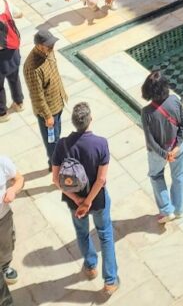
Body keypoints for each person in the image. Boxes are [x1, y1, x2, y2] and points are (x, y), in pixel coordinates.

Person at [52, 102, 119, 295]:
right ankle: (110, 281)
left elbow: (56, 180)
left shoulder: (62, 144)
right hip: (97, 200)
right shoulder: (100, 143)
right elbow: (101, 179)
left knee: (82, 233)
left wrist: (78, 200)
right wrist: (89, 201)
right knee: (105, 235)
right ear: (90, 119)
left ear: (73, 122)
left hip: (75, 202)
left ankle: (90, 267)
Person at [141, 70, 183, 224]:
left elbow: (150, 140)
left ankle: (167, 210)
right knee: (179, 176)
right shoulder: (175, 100)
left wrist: (164, 154)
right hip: (178, 148)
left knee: (156, 176)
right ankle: (179, 210)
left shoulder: (146, 112)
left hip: (158, 153)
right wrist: (175, 147)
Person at [23, 28, 67, 169]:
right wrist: (48, 116)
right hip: (49, 112)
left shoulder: (48, 51)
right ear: (39, 45)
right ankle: (55, 167)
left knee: (57, 137)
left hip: (58, 102)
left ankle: (57, 161)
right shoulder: (32, 67)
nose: (52, 47)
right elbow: (37, 96)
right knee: (52, 142)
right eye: (49, 45)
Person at [0, 156, 24, 290]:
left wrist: (13, 190)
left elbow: (19, 179)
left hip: (2, 218)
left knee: (6, 245)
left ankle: (5, 267)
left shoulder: (2, 162)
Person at [0, 0, 23, 123]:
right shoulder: (5, 2)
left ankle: (2, 113)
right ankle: (19, 103)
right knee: (14, 77)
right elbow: (19, 13)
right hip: (13, 50)